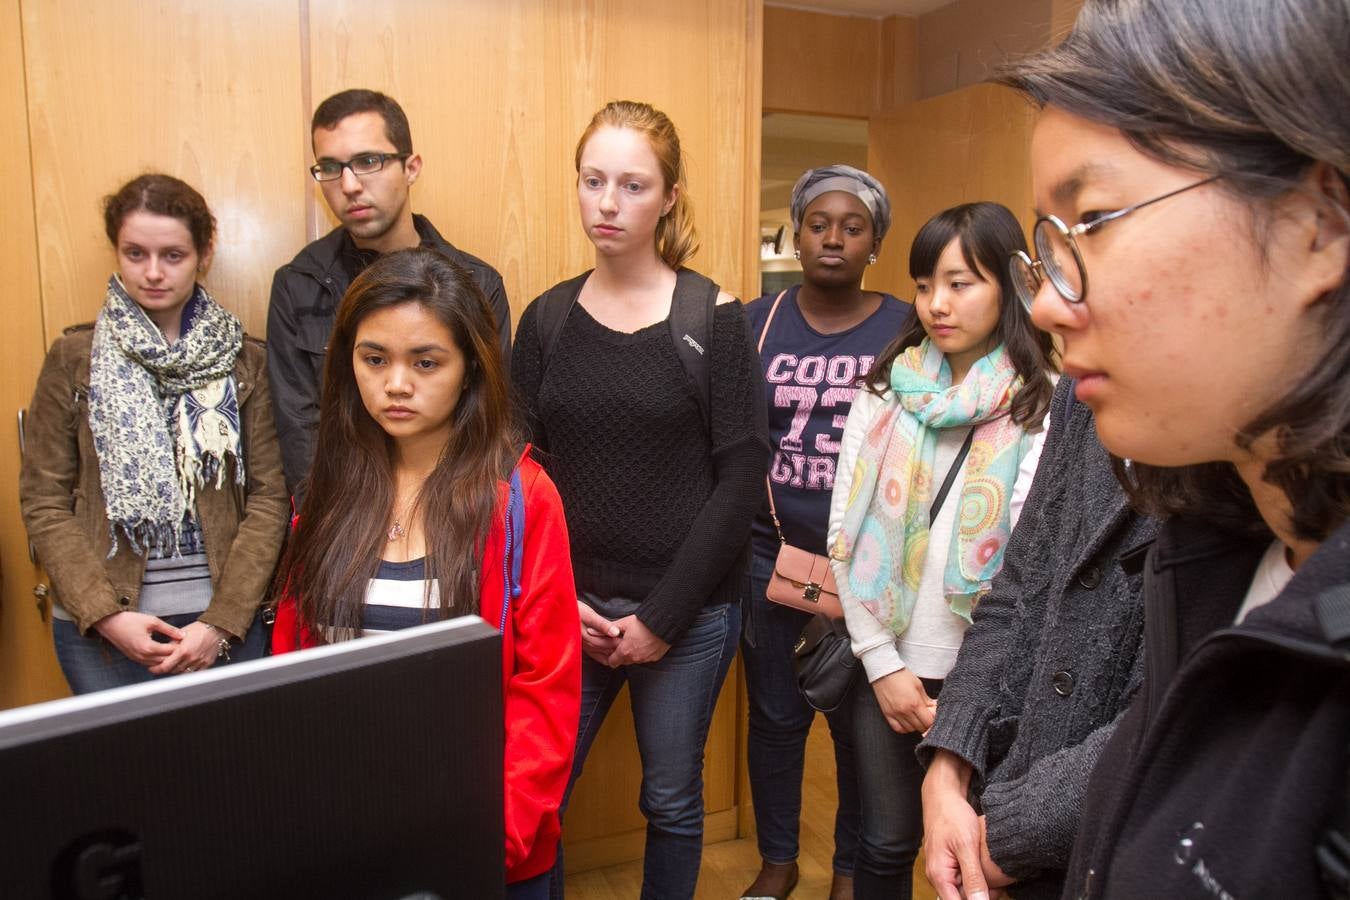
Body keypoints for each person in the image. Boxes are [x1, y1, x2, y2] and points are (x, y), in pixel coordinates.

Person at [995, 0, 1350, 896]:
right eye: (1050, 244)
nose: (1043, 303)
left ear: (1321, 225)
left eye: (1097, 221)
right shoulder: (1214, 553)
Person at [511, 100, 769, 900]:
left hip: (686, 615)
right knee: (535, 795)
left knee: (671, 799)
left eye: (632, 184)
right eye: (594, 181)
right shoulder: (548, 319)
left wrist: (661, 618)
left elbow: (738, 486)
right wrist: (563, 604)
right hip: (566, 612)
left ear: (669, 197)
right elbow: (520, 477)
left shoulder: (712, 319)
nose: (609, 203)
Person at [270, 247, 580, 899]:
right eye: (374, 358)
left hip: (481, 840)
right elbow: (291, 677)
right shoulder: (324, 494)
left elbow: (545, 690)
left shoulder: (520, 498)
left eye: (426, 361)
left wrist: (488, 842)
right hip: (350, 835)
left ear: (470, 369)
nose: (397, 384)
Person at [827, 202, 1056, 899]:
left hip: (994, 679)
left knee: (986, 856)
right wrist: (881, 663)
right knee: (886, 840)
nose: (936, 303)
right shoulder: (886, 388)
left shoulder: (1044, 403)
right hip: (888, 666)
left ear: (1010, 283)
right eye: (925, 283)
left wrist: (975, 689)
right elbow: (843, 534)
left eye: (961, 283)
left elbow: (1033, 568)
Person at [20, 173, 288, 694]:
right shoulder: (75, 358)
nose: (153, 272)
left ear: (203, 253)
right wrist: (103, 615)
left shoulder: (244, 360)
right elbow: (44, 500)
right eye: (135, 253)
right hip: (102, 629)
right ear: (116, 252)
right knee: (121, 774)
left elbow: (270, 499)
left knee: (228, 769)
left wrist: (221, 622)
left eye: (173, 255)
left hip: (225, 622)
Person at [740, 164, 913, 900]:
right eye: (819, 223)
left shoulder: (906, 324)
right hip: (766, 554)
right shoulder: (756, 321)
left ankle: (848, 870)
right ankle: (779, 862)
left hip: (866, 565)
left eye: (852, 227)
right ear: (797, 232)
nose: (833, 238)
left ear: (875, 242)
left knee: (853, 728)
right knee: (776, 719)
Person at [916, 377, 1159, 900]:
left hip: (1125, 846)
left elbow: (1183, 712)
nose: (1048, 309)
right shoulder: (1081, 393)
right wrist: (948, 762)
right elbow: (1020, 583)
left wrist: (1005, 838)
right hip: (1011, 794)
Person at [267, 88, 512, 497]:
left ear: (411, 167)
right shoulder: (299, 283)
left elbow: (486, 422)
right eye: (330, 166)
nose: (348, 185)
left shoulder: (476, 284)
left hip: (447, 515)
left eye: (367, 162)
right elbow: (299, 433)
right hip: (341, 519)